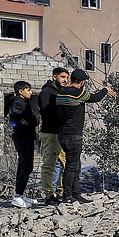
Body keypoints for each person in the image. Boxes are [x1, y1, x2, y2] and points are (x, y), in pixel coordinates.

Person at [56, 69, 115, 204]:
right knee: (71, 166)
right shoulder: (77, 93)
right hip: (73, 134)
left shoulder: (61, 92)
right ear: (82, 82)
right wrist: (105, 90)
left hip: (62, 133)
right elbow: (96, 97)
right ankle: (67, 195)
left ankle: (76, 194)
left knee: (75, 165)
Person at [38, 67, 69, 205]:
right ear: (54, 76)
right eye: (62, 77)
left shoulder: (60, 92)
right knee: (49, 164)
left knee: (63, 164)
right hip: (50, 133)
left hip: (60, 132)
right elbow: (46, 112)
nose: (65, 80)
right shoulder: (47, 92)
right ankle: (49, 194)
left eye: (67, 77)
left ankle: (60, 192)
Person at [9, 81, 40, 208]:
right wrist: (28, 123)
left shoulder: (25, 103)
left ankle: (20, 194)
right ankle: (17, 196)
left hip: (27, 137)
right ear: (21, 91)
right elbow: (16, 117)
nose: (31, 92)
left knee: (27, 165)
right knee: (25, 165)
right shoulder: (17, 103)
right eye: (28, 90)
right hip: (22, 137)